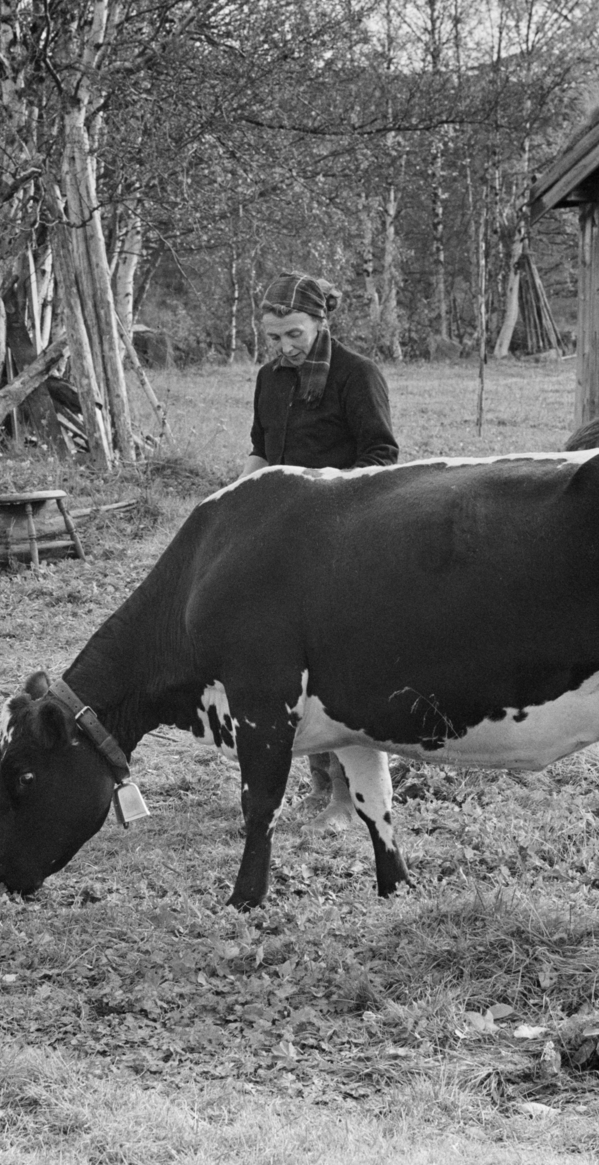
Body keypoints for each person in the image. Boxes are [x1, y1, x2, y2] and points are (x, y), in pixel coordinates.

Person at [241, 270, 399, 831]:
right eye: (273, 337)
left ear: (320, 322)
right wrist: (239, 495)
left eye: (294, 335)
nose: (283, 348)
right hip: (283, 540)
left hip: (344, 534)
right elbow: (262, 449)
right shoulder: (270, 378)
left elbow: (382, 456)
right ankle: (315, 783)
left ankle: (346, 794)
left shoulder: (357, 375)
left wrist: (325, 500)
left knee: (336, 668)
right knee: (292, 667)